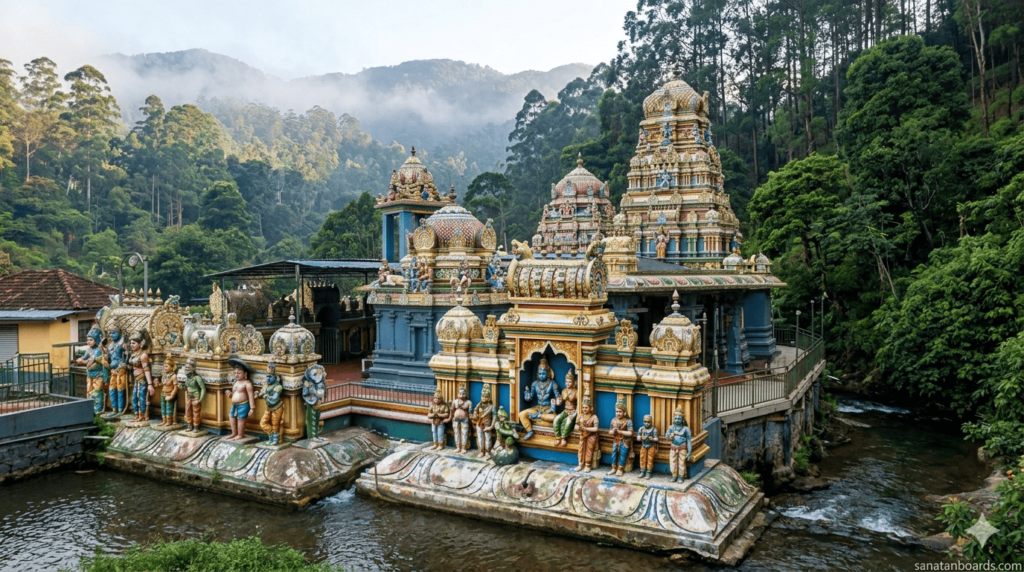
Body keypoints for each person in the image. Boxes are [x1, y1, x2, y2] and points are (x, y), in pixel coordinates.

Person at [518, 358, 560, 440]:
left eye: (543, 374)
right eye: (540, 374)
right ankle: (529, 430)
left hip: (548, 409)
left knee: (555, 418)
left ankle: (538, 416)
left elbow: (557, 396)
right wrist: (527, 393)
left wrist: (554, 405)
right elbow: (529, 399)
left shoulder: (552, 383)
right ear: (537, 374)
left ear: (548, 374)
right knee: (521, 414)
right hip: (537, 408)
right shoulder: (534, 384)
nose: (541, 376)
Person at [76, 325, 107, 415]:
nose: (89, 342)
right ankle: (91, 409)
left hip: (98, 375)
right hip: (90, 375)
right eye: (88, 340)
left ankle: (98, 410)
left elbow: (90, 361)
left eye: (91, 340)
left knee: (97, 392)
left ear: (96, 340)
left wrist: (84, 361)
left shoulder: (99, 350)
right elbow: (81, 359)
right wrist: (82, 360)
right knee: (89, 392)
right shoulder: (89, 350)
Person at [223, 357, 256, 441]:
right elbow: (235, 394)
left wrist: (252, 407)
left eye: (239, 373)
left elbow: (250, 395)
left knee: (240, 419)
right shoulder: (236, 383)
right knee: (231, 417)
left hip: (243, 405)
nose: (236, 375)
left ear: (245, 374)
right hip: (234, 405)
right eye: (235, 373)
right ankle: (234, 433)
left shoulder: (247, 383)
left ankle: (240, 434)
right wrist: (230, 394)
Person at [129, 330, 154, 422]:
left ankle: (141, 415)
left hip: (142, 379)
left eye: (134, 343)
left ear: (141, 344)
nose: (131, 345)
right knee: (134, 398)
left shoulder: (143, 355)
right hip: (136, 379)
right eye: (131, 343)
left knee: (141, 397)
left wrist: (150, 384)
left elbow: (147, 370)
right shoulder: (133, 354)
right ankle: (136, 414)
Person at [258, 360, 285, 445]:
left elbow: (274, 400)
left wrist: (265, 395)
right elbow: (260, 393)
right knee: (263, 423)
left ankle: (275, 439)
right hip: (269, 408)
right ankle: (272, 435)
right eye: (267, 376)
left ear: (275, 377)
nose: (268, 379)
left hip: (277, 407)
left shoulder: (278, 387)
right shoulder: (266, 385)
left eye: (270, 377)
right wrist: (257, 393)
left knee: (275, 424)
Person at [607, 396, 633, 477]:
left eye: (620, 412)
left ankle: (620, 469)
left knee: (623, 454)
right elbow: (610, 431)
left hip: (624, 441)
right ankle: (614, 468)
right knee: (614, 453)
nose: (618, 413)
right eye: (617, 411)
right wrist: (613, 432)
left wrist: (620, 431)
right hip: (616, 440)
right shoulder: (613, 420)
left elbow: (630, 433)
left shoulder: (628, 421)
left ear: (624, 412)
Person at [664, 408, 692, 482]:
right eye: (675, 418)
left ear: (682, 419)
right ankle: (674, 475)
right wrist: (671, 436)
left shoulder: (686, 429)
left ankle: (681, 476)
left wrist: (689, 451)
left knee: (682, 463)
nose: (677, 420)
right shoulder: (671, 427)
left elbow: (689, 440)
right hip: (673, 448)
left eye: (679, 418)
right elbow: (666, 437)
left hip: (682, 448)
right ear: (673, 418)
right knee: (673, 462)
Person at [106, 324, 128, 416]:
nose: (111, 335)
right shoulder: (111, 345)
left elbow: (127, 355)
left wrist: (126, 349)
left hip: (121, 368)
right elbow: (110, 357)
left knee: (120, 388)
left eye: (114, 333)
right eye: (110, 333)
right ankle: (114, 408)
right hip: (113, 369)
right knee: (112, 388)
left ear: (119, 333)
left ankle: (120, 409)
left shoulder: (122, 343)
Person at [552, 370, 577, 447]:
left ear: (573, 382)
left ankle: (563, 438)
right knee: (556, 419)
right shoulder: (564, 391)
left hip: (573, 411)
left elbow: (579, 405)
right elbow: (560, 403)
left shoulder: (576, 392)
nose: (567, 383)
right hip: (565, 410)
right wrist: (557, 402)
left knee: (568, 421)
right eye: (566, 382)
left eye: (569, 382)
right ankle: (557, 437)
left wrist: (575, 414)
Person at [574, 398, 599, 472]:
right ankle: (580, 464)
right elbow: (576, 426)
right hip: (583, 435)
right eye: (583, 407)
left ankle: (588, 465)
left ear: (591, 408)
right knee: (581, 449)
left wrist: (586, 429)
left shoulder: (594, 417)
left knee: (589, 449)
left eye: (586, 407)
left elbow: (596, 429)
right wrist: (578, 427)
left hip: (591, 436)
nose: (584, 409)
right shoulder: (580, 416)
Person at [302, 364, 327, 441]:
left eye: (319, 374)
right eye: (315, 374)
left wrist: (320, 396)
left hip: (318, 403)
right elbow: (305, 393)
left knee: (317, 419)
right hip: (311, 402)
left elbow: (323, 392)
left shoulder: (320, 383)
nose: (318, 376)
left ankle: (316, 435)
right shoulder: (308, 383)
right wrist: (313, 391)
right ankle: (312, 436)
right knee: (311, 420)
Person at [181, 358, 205, 433]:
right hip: (189, 397)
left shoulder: (197, 378)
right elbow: (186, 387)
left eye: (189, 368)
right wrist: (181, 387)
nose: (187, 369)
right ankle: (189, 425)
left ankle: (196, 426)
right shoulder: (187, 378)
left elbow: (203, 388)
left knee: (196, 412)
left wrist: (199, 400)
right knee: (188, 411)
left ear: (193, 368)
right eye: (186, 368)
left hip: (195, 397)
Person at [471, 387, 495, 459]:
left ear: (489, 398)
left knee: (488, 438)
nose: (484, 398)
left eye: (486, 397)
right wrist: (473, 417)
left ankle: (487, 451)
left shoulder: (491, 407)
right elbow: (475, 412)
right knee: (480, 438)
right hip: (479, 424)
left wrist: (492, 426)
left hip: (487, 425)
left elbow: (494, 416)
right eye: (482, 396)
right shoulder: (479, 405)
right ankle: (481, 451)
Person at [157, 354, 179, 426]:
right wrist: (157, 383)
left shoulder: (174, 376)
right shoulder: (164, 375)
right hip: (163, 394)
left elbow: (176, 388)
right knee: (163, 408)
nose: (165, 368)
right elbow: (162, 384)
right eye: (164, 366)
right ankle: (164, 420)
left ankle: (169, 421)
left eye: (166, 366)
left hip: (170, 395)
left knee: (169, 408)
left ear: (172, 367)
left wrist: (171, 396)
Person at [635, 414, 659, 479]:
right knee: (642, 458)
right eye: (645, 422)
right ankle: (642, 471)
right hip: (643, 446)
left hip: (651, 446)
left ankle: (649, 472)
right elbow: (638, 438)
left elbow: (657, 439)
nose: (646, 423)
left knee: (650, 459)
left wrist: (653, 439)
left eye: (648, 422)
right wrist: (640, 438)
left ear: (651, 422)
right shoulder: (641, 429)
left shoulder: (654, 430)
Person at [451, 385, 472, 453]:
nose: (462, 395)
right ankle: (458, 447)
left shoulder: (468, 402)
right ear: (458, 394)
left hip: (464, 419)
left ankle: (463, 447)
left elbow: (470, 412)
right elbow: (452, 410)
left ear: (466, 394)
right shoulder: (455, 401)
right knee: (456, 433)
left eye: (463, 394)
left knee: (464, 433)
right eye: (460, 393)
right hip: (456, 420)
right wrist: (450, 417)